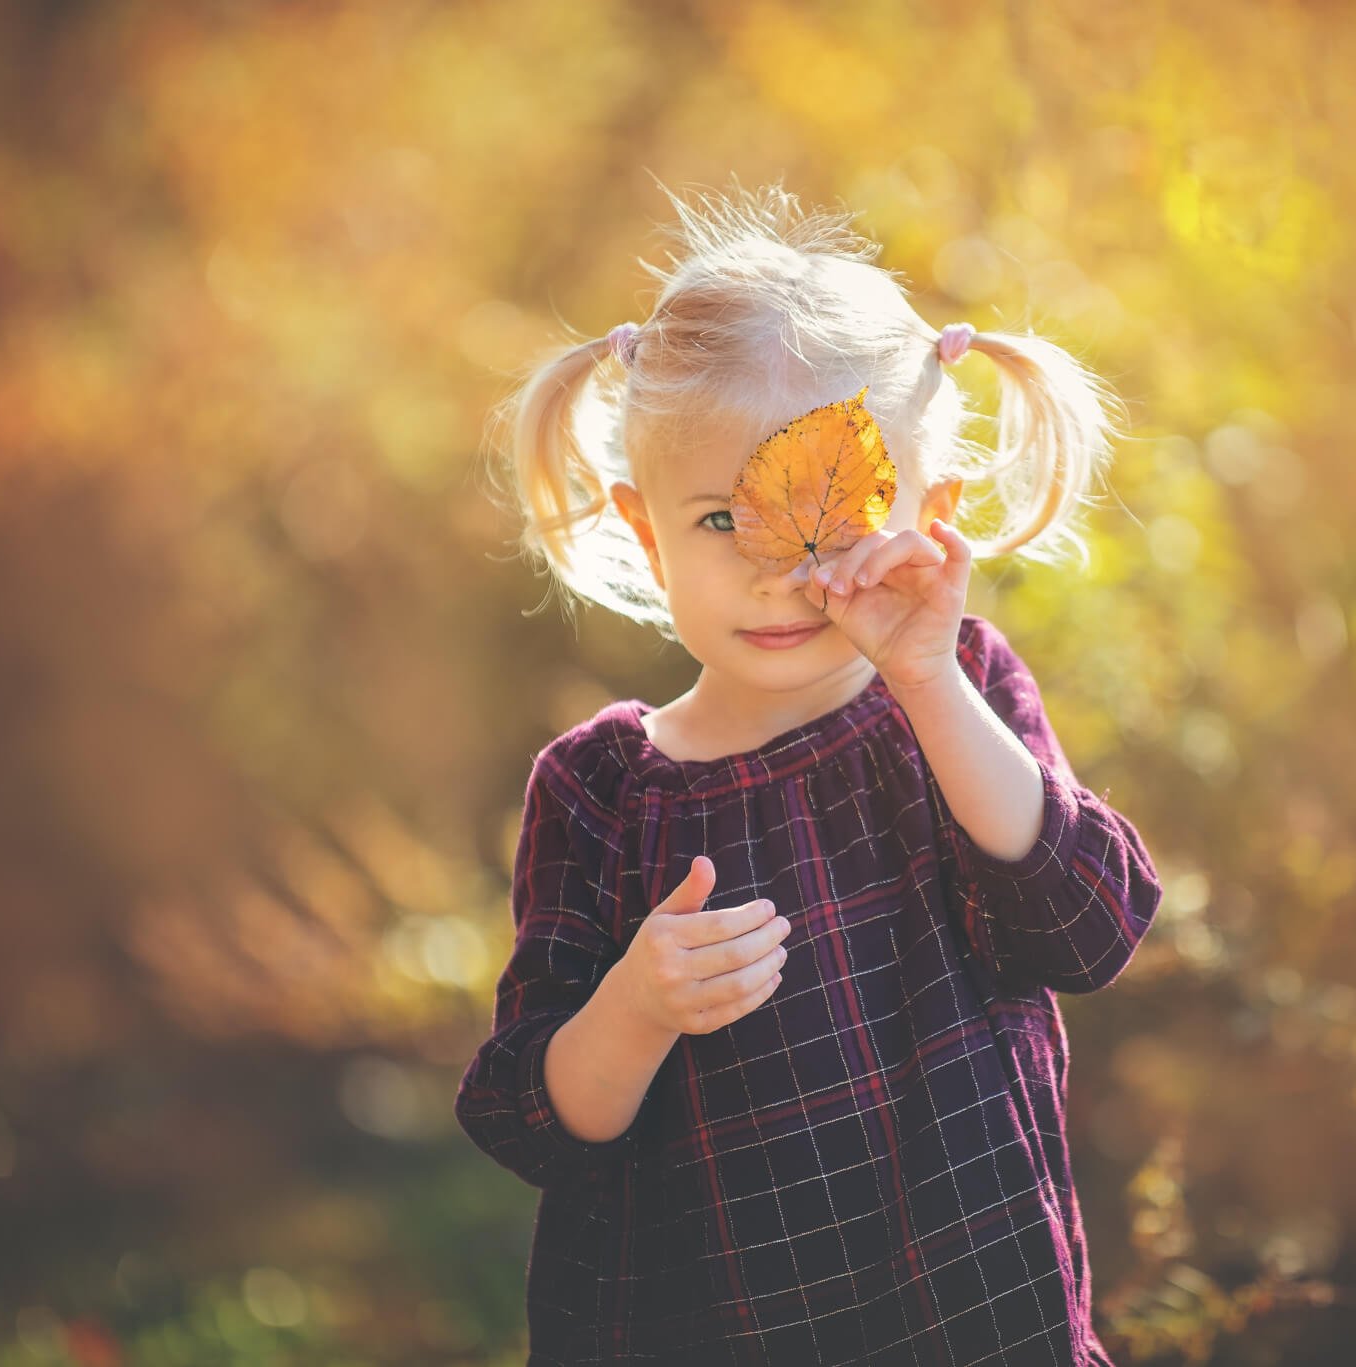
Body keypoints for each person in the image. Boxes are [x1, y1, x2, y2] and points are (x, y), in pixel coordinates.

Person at [455, 181, 1162, 1366]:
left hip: (972, 1317)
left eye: (832, 521)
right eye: (723, 523)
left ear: (929, 515)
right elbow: (534, 1120)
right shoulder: (601, 789)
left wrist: (931, 684)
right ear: (641, 528)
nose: (780, 578)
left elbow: (1086, 926)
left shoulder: (954, 692)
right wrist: (633, 1006)